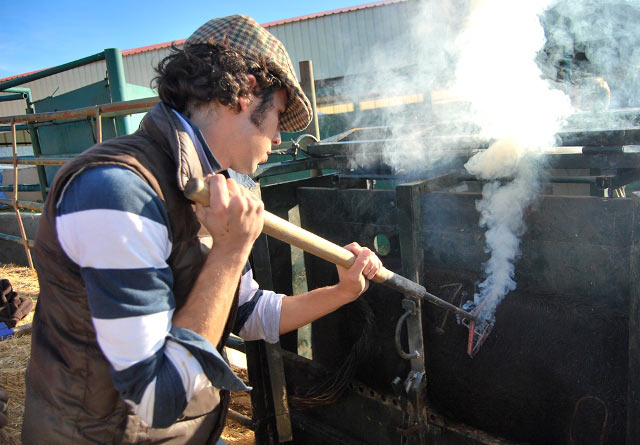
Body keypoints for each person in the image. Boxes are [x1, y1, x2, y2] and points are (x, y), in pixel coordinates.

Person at [22, 14, 381, 444]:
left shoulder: (220, 190)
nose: (280, 139)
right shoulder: (119, 194)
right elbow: (159, 398)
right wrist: (231, 252)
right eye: (279, 114)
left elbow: (249, 313)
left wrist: (342, 292)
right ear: (246, 92)